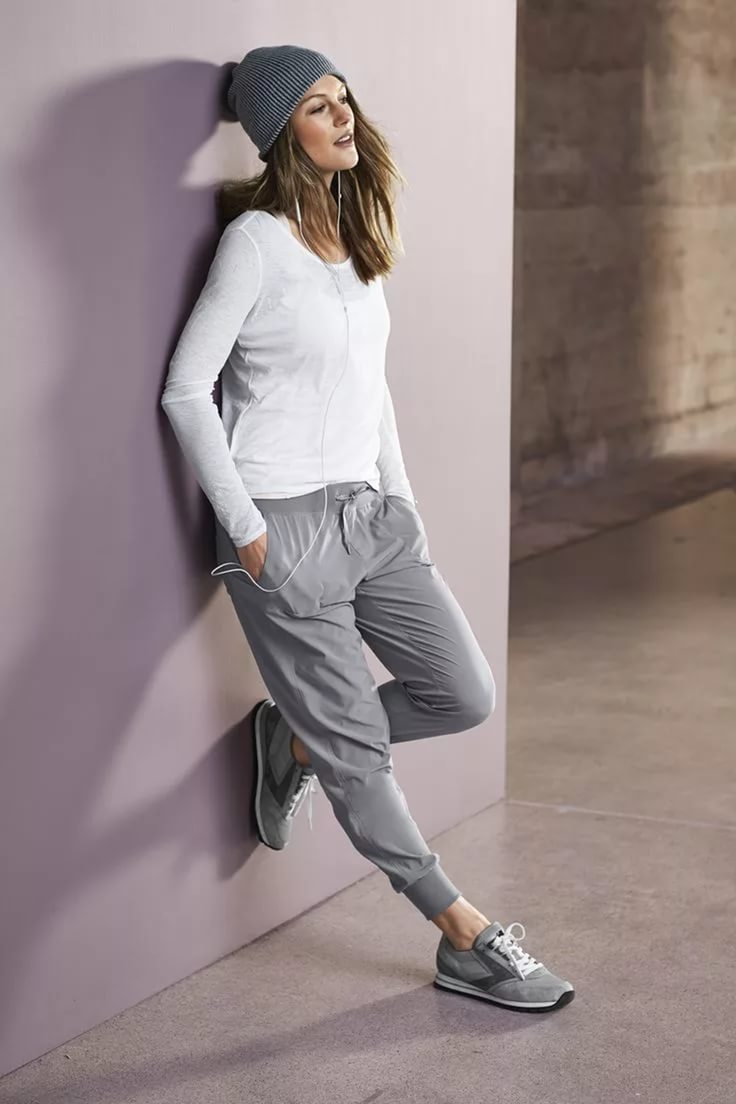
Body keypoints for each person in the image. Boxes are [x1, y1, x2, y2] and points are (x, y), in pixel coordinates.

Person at [161, 44, 574, 1012]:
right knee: (361, 753)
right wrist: (249, 530)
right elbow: (185, 388)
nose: (343, 115)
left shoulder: (353, 236)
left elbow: (369, 388)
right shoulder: (254, 243)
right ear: (282, 132)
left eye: (343, 97)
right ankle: (462, 935)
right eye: (317, 105)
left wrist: (404, 504)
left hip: (372, 515)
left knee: (462, 693)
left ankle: (297, 738)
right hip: (283, 526)